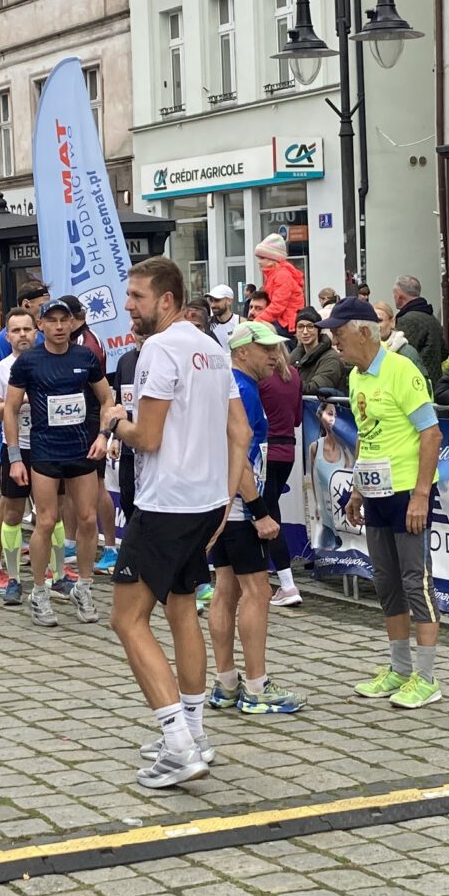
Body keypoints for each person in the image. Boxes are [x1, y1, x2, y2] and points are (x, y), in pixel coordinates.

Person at [107, 257, 257, 788]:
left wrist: (115, 423)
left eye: (137, 297)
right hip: (203, 503)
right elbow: (241, 432)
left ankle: (177, 744)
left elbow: (147, 437)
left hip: (165, 502)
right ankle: (194, 732)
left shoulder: (160, 347)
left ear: (167, 300)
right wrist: (224, 497)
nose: (129, 306)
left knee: (126, 620)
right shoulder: (213, 348)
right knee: (180, 608)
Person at [326, 296, 444, 708]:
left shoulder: (401, 370)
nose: (334, 342)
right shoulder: (356, 377)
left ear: (364, 332)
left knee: (416, 581)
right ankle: (399, 668)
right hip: (375, 491)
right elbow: (366, 435)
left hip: (408, 491)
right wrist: (357, 488)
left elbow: (431, 433)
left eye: (338, 334)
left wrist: (421, 495)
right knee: (386, 581)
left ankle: (427, 677)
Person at [1, 295, 115, 625]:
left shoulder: (85, 356)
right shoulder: (28, 362)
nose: (59, 326)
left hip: (81, 449)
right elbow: (10, 409)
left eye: (64, 320)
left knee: (88, 519)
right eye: (52, 321)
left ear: (73, 322)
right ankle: (39, 591)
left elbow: (107, 399)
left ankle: (84, 586)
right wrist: (15, 458)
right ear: (41, 326)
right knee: (46, 521)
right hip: (45, 451)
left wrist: (103, 436)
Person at [210, 322, 305, 714]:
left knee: (226, 588)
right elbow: (238, 457)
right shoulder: (243, 390)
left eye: (276, 348)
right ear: (242, 351)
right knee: (257, 591)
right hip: (239, 508)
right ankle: (256, 687)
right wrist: (259, 511)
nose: (274, 355)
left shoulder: (233, 385)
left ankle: (226, 683)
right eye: (265, 348)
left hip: (222, 505)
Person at [0, 307, 41, 603]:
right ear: (7, 336)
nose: (22, 335)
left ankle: (53, 571)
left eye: (27, 329)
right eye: (16, 330)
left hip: (48, 447)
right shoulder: (0, 370)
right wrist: (20, 400)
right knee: (9, 509)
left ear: (36, 331)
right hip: (14, 447)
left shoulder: (48, 362)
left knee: (52, 512)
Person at [247, 321, 305, 608]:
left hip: (265, 450)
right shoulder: (293, 374)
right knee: (270, 510)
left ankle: (286, 583)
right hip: (287, 450)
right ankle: (277, 580)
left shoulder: (259, 379)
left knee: (265, 514)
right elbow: (297, 418)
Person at [390, 276, 446, 380]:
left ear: (399, 295)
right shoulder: (432, 318)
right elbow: (444, 352)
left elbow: (400, 355)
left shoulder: (407, 320)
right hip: (435, 380)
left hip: (416, 380)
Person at [0, 280, 52, 363]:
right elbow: (0, 369)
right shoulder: (2, 340)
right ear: (26, 304)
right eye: (42, 305)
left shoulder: (43, 334)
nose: (46, 310)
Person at [254, 234, 303, 332]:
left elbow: (278, 305)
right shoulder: (275, 274)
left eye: (262, 258)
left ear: (273, 259)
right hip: (283, 321)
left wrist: (258, 320)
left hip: (286, 323)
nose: (259, 262)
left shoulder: (282, 276)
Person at [293, 309, 346, 396]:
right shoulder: (295, 355)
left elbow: (314, 389)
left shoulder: (331, 359)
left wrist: (286, 384)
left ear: (318, 330)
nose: (305, 332)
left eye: (310, 326)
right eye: (300, 327)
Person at [373, 302, 425, 375]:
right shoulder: (363, 353)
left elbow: (421, 380)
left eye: (379, 321)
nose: (374, 325)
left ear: (392, 322)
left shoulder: (407, 352)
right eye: (371, 321)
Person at [206, 284, 240, 350]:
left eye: (217, 300)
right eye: (211, 300)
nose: (212, 305)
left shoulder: (241, 322)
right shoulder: (207, 325)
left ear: (229, 301)